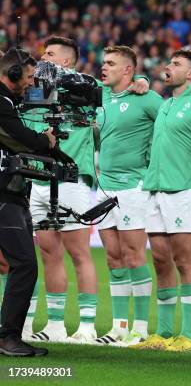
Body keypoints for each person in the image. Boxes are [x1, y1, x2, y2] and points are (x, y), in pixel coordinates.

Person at [134, 49, 191, 352]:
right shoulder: (165, 104)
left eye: (176, 64)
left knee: (184, 260)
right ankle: (163, 333)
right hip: (155, 190)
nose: (168, 66)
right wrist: (139, 80)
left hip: (183, 191)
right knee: (161, 261)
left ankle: (187, 335)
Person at [23, 36, 98, 344]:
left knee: (78, 252)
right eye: (43, 53)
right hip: (37, 181)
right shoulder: (34, 92)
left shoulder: (84, 89)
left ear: (67, 61)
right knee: (48, 253)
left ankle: (88, 327)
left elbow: (102, 89)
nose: (43, 58)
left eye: (50, 54)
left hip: (71, 180)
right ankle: (54, 325)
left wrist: (143, 81)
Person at [94, 46, 162, 346]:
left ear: (127, 70)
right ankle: (119, 327)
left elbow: (172, 124)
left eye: (110, 63)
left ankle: (141, 327)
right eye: (103, 62)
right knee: (113, 257)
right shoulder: (100, 96)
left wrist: (144, 79)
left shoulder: (146, 98)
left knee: (134, 256)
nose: (103, 67)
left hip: (134, 185)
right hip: (104, 186)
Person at [0, 48, 55, 356]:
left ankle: (8, 335)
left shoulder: (8, 100)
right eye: (30, 76)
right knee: (24, 264)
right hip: (3, 194)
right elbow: (20, 136)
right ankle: (8, 337)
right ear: (13, 74)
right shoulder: (1, 102)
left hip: (10, 192)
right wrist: (46, 140)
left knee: (20, 264)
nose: (33, 83)